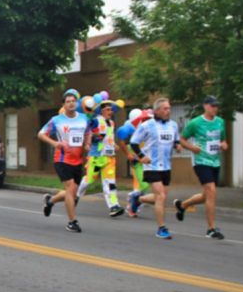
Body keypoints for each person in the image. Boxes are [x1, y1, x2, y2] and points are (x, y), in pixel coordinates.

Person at [127, 97, 182, 239]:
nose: (168, 111)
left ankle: (138, 200)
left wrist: (177, 146)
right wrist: (141, 156)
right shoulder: (147, 125)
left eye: (169, 108)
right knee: (161, 196)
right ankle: (161, 228)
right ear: (157, 110)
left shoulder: (173, 125)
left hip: (166, 166)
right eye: (165, 108)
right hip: (151, 165)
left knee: (161, 197)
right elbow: (133, 142)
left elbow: (176, 140)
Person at [176, 95, 228, 240]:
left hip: (215, 162)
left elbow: (223, 140)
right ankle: (211, 229)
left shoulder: (220, 122)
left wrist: (224, 145)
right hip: (200, 161)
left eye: (216, 106)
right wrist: (193, 148)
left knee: (206, 195)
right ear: (205, 106)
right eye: (212, 106)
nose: (215, 108)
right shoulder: (195, 123)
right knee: (211, 191)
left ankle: (183, 205)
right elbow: (182, 140)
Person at [38, 89, 90, 232]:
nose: (71, 104)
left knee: (72, 192)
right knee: (70, 188)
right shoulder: (57, 120)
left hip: (77, 160)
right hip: (62, 159)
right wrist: (55, 144)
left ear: (77, 103)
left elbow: (88, 132)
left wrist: (87, 143)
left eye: (73, 101)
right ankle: (72, 222)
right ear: (63, 105)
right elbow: (41, 134)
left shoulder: (84, 118)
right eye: (68, 102)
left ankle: (50, 201)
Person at [75, 97, 126, 217]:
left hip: (109, 157)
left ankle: (114, 206)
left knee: (110, 183)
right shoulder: (96, 121)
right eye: (108, 110)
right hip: (96, 157)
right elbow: (88, 133)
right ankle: (75, 196)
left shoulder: (112, 123)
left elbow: (108, 137)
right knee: (89, 180)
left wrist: (114, 144)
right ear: (102, 111)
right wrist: (90, 141)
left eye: (111, 109)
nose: (110, 112)